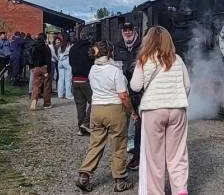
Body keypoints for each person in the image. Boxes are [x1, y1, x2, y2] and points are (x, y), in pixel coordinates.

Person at [130, 26, 191, 195]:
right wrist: (177, 99)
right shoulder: (177, 59)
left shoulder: (144, 59)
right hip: (177, 111)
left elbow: (135, 86)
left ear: (148, 41)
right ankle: (180, 191)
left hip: (153, 110)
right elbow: (187, 86)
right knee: (178, 154)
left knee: (154, 157)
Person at [76, 40, 138, 193]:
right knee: (118, 146)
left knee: (95, 144)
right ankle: (120, 180)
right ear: (109, 53)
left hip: (96, 110)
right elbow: (123, 95)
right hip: (114, 109)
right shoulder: (115, 71)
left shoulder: (93, 69)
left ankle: (84, 175)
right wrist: (132, 112)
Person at [114, 21, 142, 170]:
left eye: (130, 29)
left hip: (138, 90)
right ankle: (120, 160)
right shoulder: (117, 47)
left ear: (134, 30)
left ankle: (136, 156)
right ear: (122, 31)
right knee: (121, 122)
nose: (127, 32)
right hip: (122, 88)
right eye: (125, 29)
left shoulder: (141, 45)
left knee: (137, 122)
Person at [69, 32, 94, 136]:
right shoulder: (90, 49)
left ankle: (81, 128)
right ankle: (86, 123)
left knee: (80, 105)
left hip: (75, 79)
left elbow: (70, 62)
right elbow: (93, 62)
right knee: (95, 101)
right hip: (86, 79)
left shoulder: (73, 48)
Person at [29, 33, 53, 110]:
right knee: (46, 87)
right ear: (45, 39)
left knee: (36, 85)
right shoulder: (46, 48)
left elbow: (32, 58)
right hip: (45, 67)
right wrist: (48, 71)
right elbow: (48, 60)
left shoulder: (34, 48)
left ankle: (34, 100)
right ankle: (46, 104)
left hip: (36, 68)